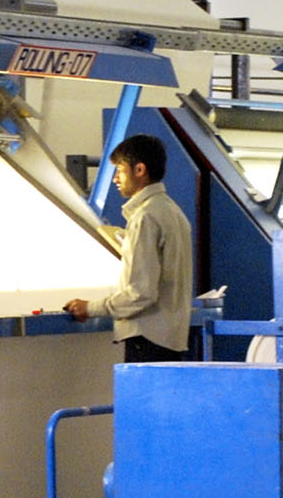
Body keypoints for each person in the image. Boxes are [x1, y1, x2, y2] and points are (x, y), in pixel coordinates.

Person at [64, 134, 193, 361]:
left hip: (147, 339)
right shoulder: (173, 211)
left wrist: (91, 308)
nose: (116, 178)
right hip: (169, 338)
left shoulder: (145, 217)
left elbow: (141, 293)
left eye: (120, 170)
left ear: (140, 170)